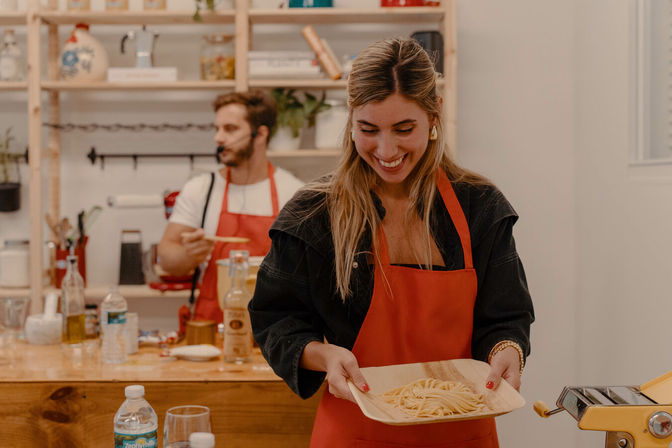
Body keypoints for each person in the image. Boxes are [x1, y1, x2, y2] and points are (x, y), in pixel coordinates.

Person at [248, 38, 534, 447]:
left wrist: (509, 349)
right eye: (368, 129)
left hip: (461, 429)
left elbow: (506, 315)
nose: (386, 151)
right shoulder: (314, 214)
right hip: (355, 432)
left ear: (433, 114)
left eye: (404, 129)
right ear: (351, 121)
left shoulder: (479, 207)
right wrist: (326, 356)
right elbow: (276, 320)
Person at [158, 90, 304, 323]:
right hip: (213, 327)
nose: (218, 138)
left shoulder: (294, 194)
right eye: (217, 129)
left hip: (276, 332)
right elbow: (166, 259)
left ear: (260, 134)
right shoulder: (201, 189)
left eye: (230, 129)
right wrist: (189, 254)